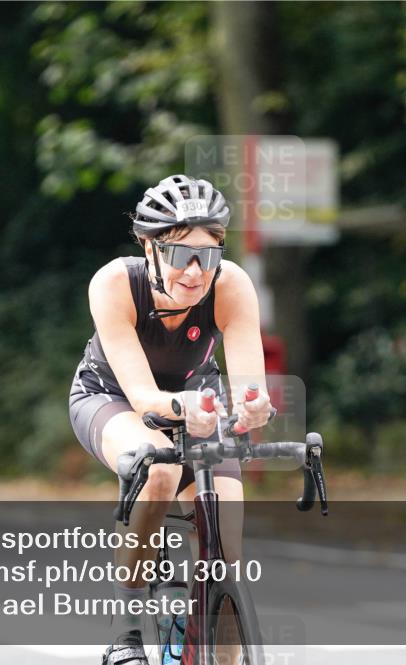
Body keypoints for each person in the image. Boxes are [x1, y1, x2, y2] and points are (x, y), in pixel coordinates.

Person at [68, 175, 274, 664]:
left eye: (209, 255)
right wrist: (185, 409)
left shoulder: (231, 285)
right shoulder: (115, 283)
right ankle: (127, 626)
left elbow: (250, 383)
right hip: (111, 397)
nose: (195, 272)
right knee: (158, 469)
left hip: (196, 400)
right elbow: (143, 397)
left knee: (224, 552)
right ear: (149, 247)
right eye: (182, 255)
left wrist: (253, 405)